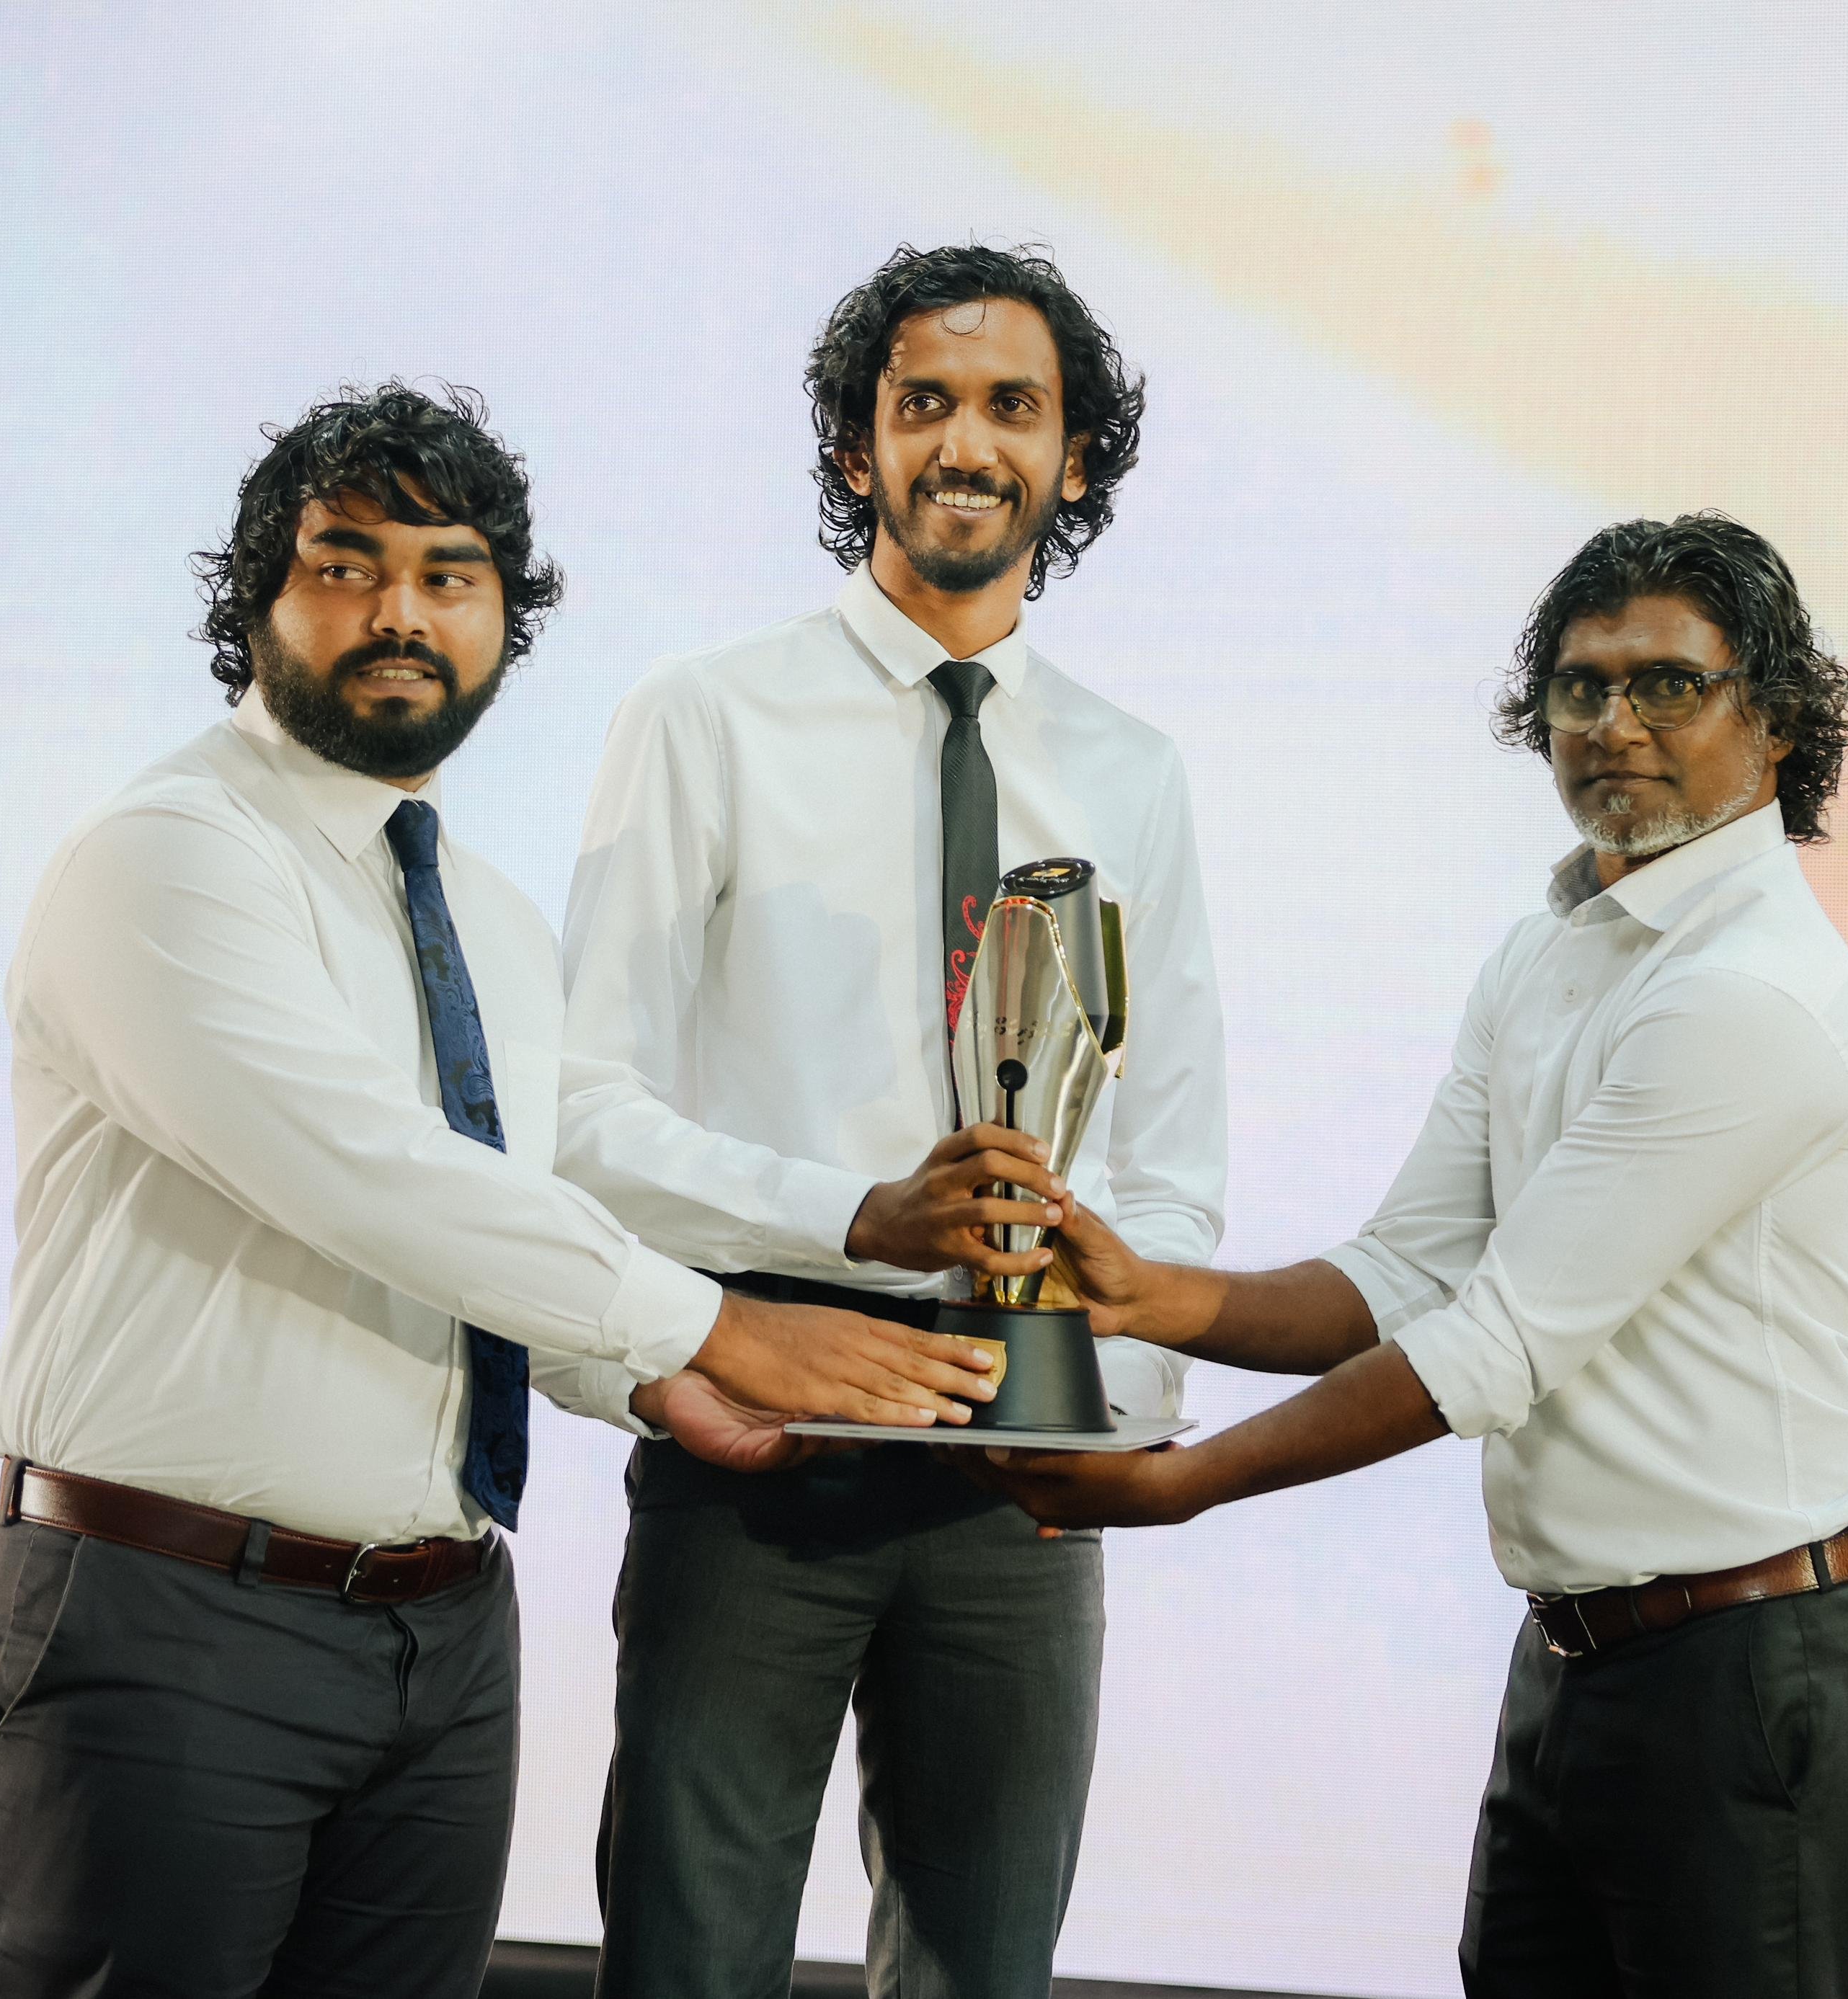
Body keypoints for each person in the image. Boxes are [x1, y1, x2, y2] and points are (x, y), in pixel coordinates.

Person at [0, 383, 997, 1999]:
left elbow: (489, 1235)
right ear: (256, 599)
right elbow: (371, 1180)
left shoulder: (490, 919)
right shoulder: (168, 854)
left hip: (439, 1639)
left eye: (451, 575)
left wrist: (644, 1377)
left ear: (506, 619)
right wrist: (716, 1322)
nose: (401, 613)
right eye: (345, 565)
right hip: (167, 1615)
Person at [981, 515, 1848, 1997]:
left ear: (1777, 719)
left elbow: (1489, 1345)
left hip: (1755, 1666)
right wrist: (1146, 1293)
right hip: (1578, 1660)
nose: (1614, 723)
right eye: (1580, 685)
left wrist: (1182, 1483)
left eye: (1668, 684)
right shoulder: (1549, 953)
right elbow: (1409, 1270)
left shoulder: (1749, 994)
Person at [537, 245, 1227, 1998]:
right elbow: (584, 1114)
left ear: (1072, 458)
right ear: (859, 447)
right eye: (924, 402)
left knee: (983, 1971)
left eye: (1013, 406)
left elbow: (1171, 1160)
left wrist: (1116, 1413)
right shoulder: (704, 719)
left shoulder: (1132, 768)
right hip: (765, 1423)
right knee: (691, 1962)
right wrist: (854, 1216)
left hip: (1020, 1457)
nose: (966, 442)